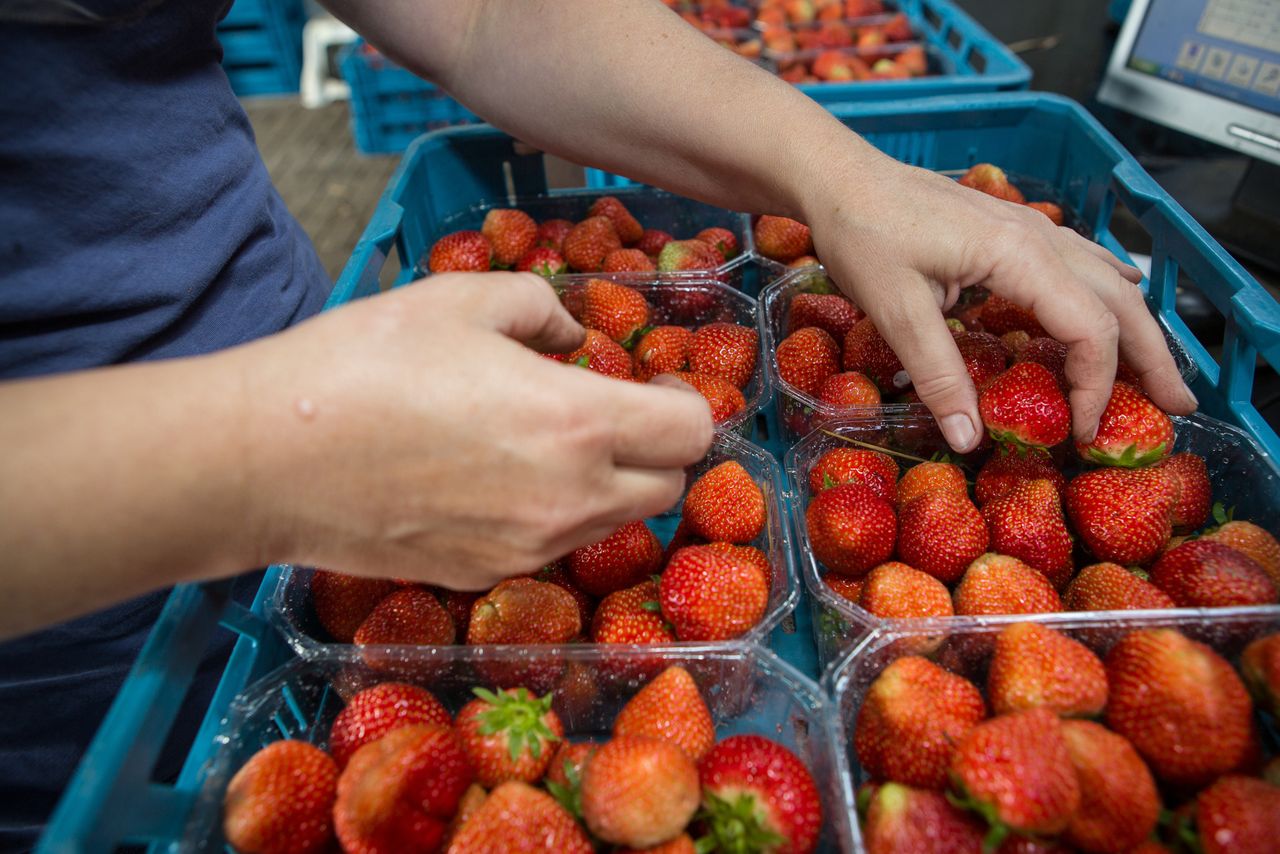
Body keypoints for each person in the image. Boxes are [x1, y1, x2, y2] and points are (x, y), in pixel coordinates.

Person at [0, 0, 1195, 844]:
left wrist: (839, 177)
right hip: (55, 649)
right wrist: (260, 454)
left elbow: (476, 15)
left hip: (340, 407)